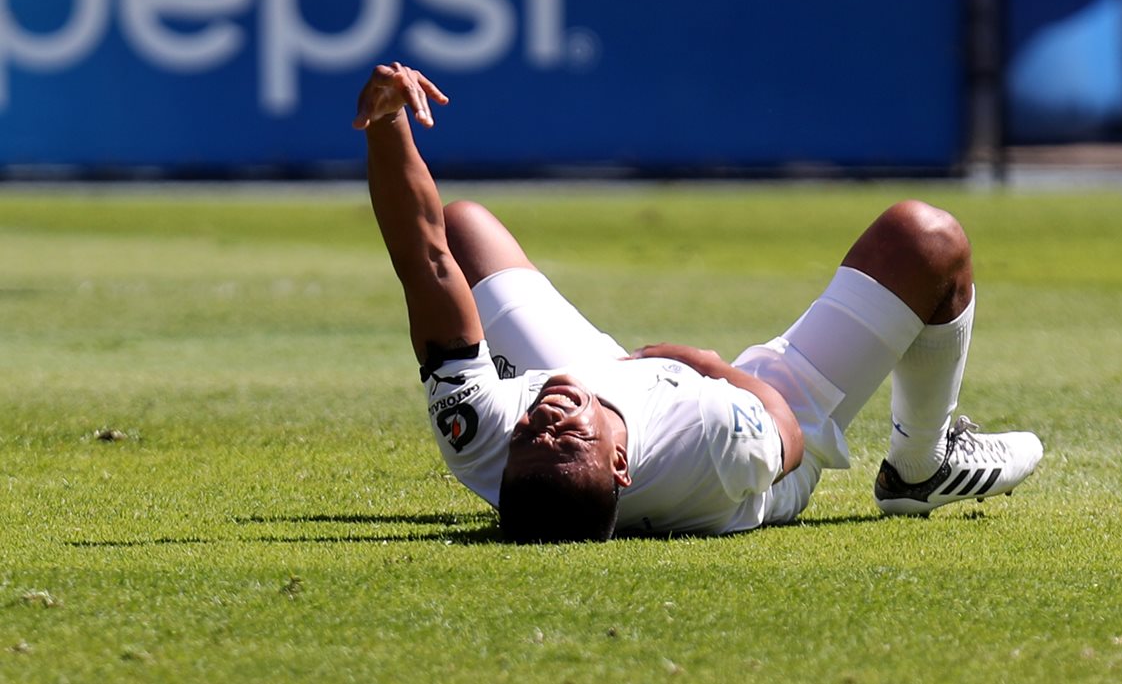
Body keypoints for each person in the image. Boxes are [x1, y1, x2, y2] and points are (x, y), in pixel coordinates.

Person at [352, 62, 1044, 543]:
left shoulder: (485, 437)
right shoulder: (714, 451)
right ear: (620, 466)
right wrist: (693, 359)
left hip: (613, 384)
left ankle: (606, 401)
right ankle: (922, 465)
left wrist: (387, 122)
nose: (546, 419)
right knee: (928, 240)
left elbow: (428, 262)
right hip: (768, 415)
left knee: (465, 228)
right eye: (564, 436)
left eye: (531, 436)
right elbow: (785, 426)